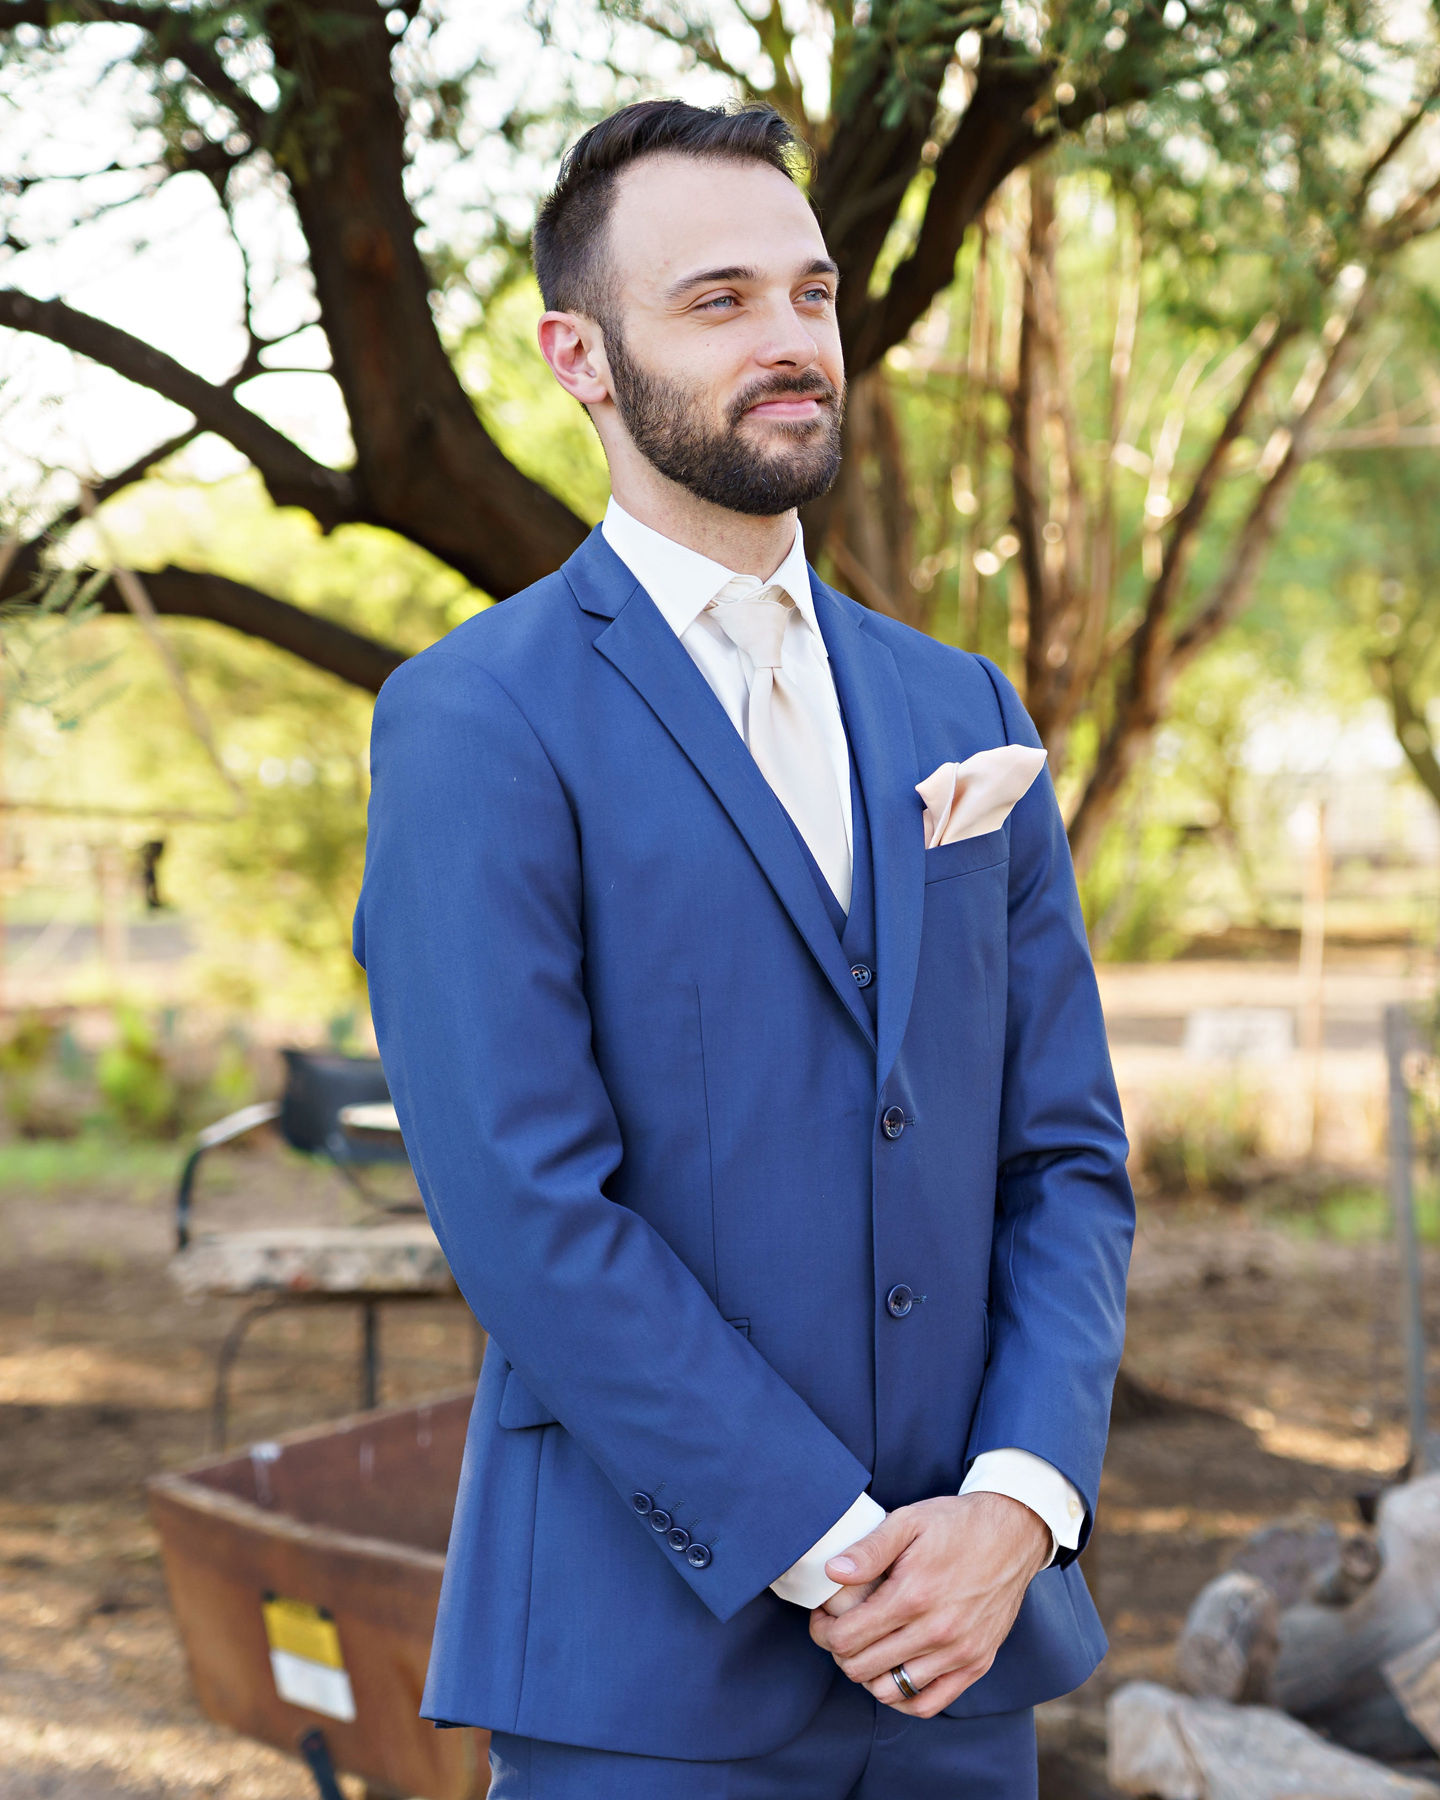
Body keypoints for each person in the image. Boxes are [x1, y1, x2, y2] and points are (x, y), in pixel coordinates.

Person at [353, 98, 1133, 1800]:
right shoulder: (476, 720)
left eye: (812, 294)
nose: (791, 342)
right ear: (582, 356)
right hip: (648, 1674)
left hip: (967, 1658)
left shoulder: (960, 708)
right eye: (718, 302)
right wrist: (834, 1548)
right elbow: (525, 1210)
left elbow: (1066, 1158)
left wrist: (1016, 1507)